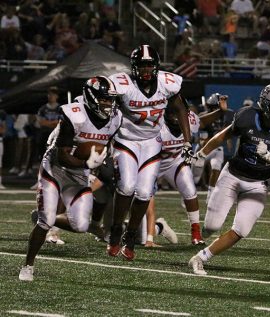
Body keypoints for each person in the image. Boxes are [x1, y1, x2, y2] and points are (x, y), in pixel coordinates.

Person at [188, 83, 270, 275]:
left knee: (241, 229)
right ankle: (205, 233)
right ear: (265, 105)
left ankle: (200, 257)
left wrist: (269, 157)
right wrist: (200, 154)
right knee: (212, 225)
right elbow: (221, 137)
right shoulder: (247, 116)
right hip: (232, 176)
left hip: (258, 184)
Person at [19, 76, 122, 281]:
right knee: (46, 219)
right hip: (54, 169)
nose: (108, 104)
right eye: (104, 99)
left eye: (110, 100)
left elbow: (105, 147)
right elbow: (62, 156)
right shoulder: (74, 115)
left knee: (81, 225)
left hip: (79, 174)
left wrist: (105, 161)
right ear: (91, 98)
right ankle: (28, 265)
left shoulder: (115, 118)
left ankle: (43, 219)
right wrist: (87, 164)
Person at [107, 44, 193, 261]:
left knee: (145, 193)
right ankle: (116, 229)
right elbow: (106, 109)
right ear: (134, 67)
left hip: (151, 142)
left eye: (149, 66)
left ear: (156, 66)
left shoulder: (167, 83)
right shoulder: (123, 85)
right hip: (126, 140)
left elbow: (181, 108)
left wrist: (187, 140)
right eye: (141, 66)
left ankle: (131, 234)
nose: (146, 70)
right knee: (126, 186)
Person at [148, 97, 230, 245]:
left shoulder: (190, 120)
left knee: (190, 191)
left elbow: (203, 121)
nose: (176, 118)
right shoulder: (155, 123)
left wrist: (220, 111)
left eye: (179, 113)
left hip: (175, 162)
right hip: (153, 164)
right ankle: (156, 228)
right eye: (172, 114)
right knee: (140, 209)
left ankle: (196, 232)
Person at [192, 93, 235, 203]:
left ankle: (210, 196)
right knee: (195, 177)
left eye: (216, 108)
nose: (215, 110)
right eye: (213, 107)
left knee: (216, 169)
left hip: (217, 148)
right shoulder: (204, 116)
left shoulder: (226, 115)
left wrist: (228, 141)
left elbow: (226, 129)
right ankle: (189, 194)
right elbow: (201, 139)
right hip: (203, 149)